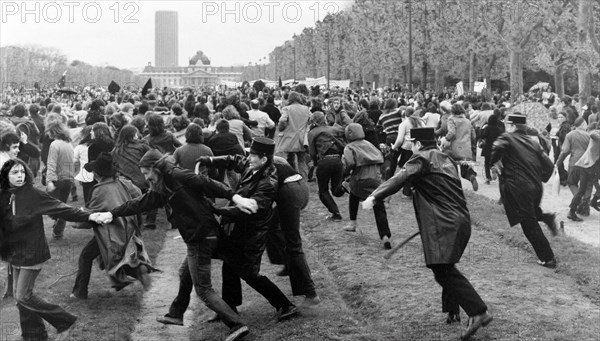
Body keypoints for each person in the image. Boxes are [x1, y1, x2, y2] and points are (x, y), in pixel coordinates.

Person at [94, 149, 253, 341]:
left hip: (200, 236)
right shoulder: (164, 185)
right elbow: (141, 202)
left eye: (146, 173)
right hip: (202, 233)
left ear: (155, 168)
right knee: (184, 273)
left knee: (203, 288)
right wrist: (113, 213)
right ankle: (176, 314)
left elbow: (208, 183)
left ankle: (236, 325)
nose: (145, 178)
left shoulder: (177, 175)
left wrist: (237, 198)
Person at [362, 127, 492, 340]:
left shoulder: (420, 158)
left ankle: (478, 311)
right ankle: (456, 311)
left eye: (412, 142)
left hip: (444, 222)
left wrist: (374, 196)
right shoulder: (445, 158)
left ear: (419, 144)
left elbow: (400, 177)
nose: (411, 146)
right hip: (460, 220)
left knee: (441, 268)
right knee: (446, 266)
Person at [0, 158, 101, 341]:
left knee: (23, 296)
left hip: (32, 253)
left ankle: (65, 321)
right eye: (14, 173)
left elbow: (61, 209)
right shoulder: (4, 195)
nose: (20, 176)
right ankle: (35, 335)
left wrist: (90, 215)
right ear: (5, 176)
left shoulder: (33, 194)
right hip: (14, 254)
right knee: (21, 298)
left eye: (22, 172)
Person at [202, 138, 301, 322]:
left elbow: (251, 210)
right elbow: (235, 159)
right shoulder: (253, 166)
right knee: (229, 263)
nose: (249, 158)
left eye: (253, 156)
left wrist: (217, 210)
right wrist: (211, 160)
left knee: (248, 272)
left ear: (264, 159)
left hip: (252, 233)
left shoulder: (267, 181)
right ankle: (228, 307)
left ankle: (285, 305)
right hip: (239, 230)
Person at [72, 153, 154, 299]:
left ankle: (80, 292)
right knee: (106, 258)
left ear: (98, 173)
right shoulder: (124, 182)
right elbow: (139, 196)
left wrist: (76, 220)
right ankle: (138, 270)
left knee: (86, 255)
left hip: (111, 233)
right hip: (129, 230)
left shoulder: (99, 190)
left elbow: (90, 217)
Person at [491, 114, 558, 268]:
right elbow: (549, 165)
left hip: (518, 186)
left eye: (509, 124)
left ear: (513, 126)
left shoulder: (507, 137)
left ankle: (548, 258)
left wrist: (493, 163)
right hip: (535, 186)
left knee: (528, 223)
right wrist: (540, 178)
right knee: (531, 213)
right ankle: (547, 218)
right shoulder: (533, 141)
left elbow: (497, 147)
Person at [342, 123, 392, 249]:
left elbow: (349, 163)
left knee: (353, 193)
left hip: (359, 179)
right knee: (378, 205)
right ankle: (385, 235)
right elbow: (380, 157)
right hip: (375, 179)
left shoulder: (349, 147)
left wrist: (345, 173)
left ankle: (352, 223)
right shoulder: (369, 144)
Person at [307, 111, 346, 221]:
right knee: (336, 190)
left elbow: (312, 152)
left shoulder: (312, 132)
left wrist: (315, 163)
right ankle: (346, 185)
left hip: (324, 161)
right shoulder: (333, 129)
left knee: (323, 191)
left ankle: (336, 213)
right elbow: (346, 130)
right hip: (338, 160)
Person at [556, 117, 591, 219]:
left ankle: (579, 201)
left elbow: (565, 151)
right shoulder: (589, 136)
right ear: (583, 124)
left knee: (571, 183)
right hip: (587, 164)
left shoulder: (570, 135)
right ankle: (586, 206)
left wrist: (558, 163)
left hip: (574, 163)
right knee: (587, 185)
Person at [275, 91, 311, 179]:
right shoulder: (306, 109)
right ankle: (304, 179)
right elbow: (311, 119)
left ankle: (292, 176)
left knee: (290, 158)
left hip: (289, 137)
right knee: (301, 160)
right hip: (302, 138)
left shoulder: (287, 108)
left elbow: (282, 120)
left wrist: (281, 128)